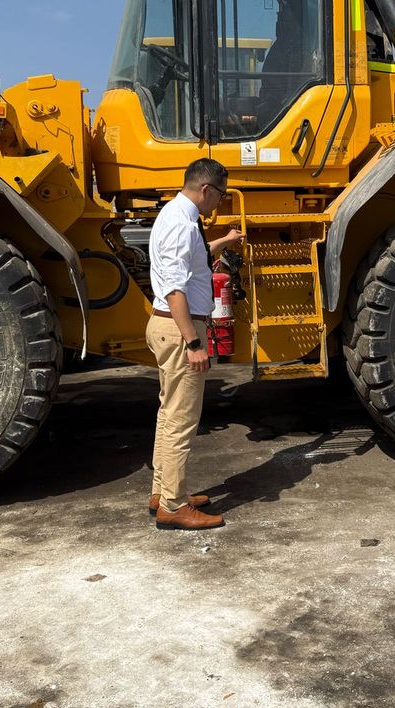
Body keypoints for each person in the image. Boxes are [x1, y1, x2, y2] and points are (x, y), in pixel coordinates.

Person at [146, 157, 244, 530]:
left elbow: (195, 260)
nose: (220, 201)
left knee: (169, 414)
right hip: (179, 330)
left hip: (169, 327)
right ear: (206, 189)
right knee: (181, 422)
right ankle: (172, 507)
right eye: (220, 194)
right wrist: (193, 342)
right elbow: (173, 287)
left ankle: (164, 492)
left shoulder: (179, 218)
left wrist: (226, 241)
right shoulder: (181, 224)